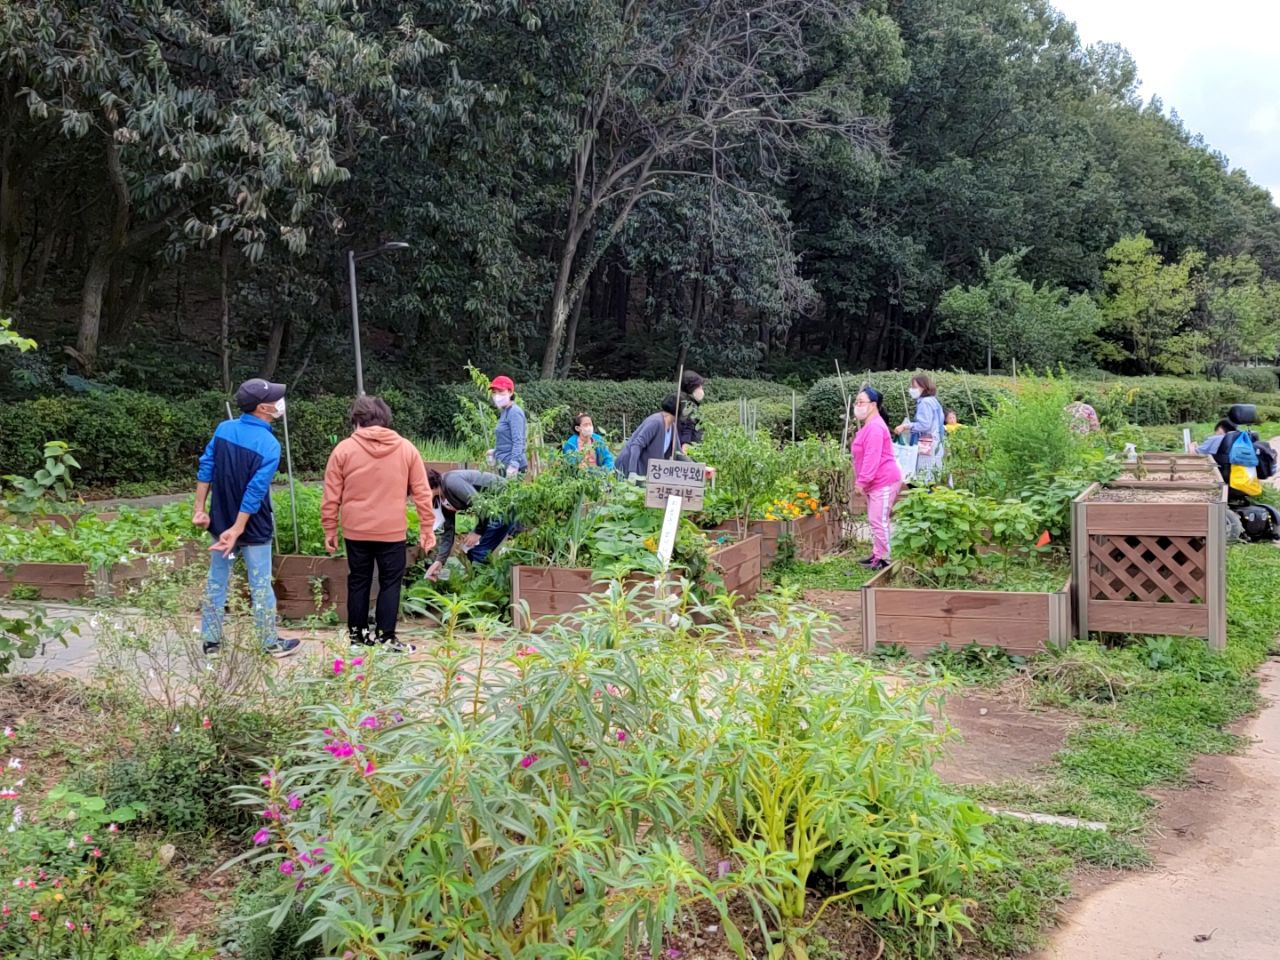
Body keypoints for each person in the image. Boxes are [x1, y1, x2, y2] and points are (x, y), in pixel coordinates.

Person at [193, 378, 300, 658]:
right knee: (260, 583)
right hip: (252, 527)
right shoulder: (269, 444)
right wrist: (239, 528)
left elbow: (206, 466)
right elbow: (255, 492)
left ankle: (211, 642)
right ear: (263, 408)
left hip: (220, 523)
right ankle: (269, 643)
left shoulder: (224, 429)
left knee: (217, 579)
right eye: (275, 400)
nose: (280, 404)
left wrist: (199, 509)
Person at [321, 396, 436, 652]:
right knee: (390, 582)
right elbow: (422, 492)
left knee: (359, 581)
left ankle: (357, 640)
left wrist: (330, 528)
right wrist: (427, 528)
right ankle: (386, 639)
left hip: (356, 530)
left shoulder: (343, 450)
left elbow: (331, 494)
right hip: (391, 530)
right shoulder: (406, 449)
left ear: (357, 420)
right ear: (385, 419)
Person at [424, 469, 514, 580]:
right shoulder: (440, 499)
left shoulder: (451, 482)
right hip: (491, 510)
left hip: (505, 501)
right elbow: (448, 531)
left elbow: (480, 504)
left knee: (479, 552)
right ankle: (480, 583)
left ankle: (482, 587)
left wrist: (477, 532)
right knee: (471, 552)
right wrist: (439, 561)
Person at [852, 387, 903, 571]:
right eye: (856, 402)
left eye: (861, 402)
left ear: (873, 405)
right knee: (876, 519)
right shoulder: (870, 425)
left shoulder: (874, 427)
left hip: (884, 480)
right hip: (876, 481)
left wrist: (861, 482)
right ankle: (877, 554)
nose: (858, 405)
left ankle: (885, 560)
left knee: (878, 520)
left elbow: (871, 458)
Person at [615, 393, 681, 480]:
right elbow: (636, 445)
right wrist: (632, 472)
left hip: (644, 472)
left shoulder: (672, 427)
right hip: (629, 466)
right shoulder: (655, 422)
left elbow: (678, 453)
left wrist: (699, 468)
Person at [894, 374, 945, 480]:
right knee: (933, 473)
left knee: (923, 474)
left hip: (927, 442)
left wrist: (905, 426)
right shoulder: (933, 400)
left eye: (914, 387)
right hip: (936, 441)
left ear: (923, 387)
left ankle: (925, 495)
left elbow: (924, 425)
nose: (911, 390)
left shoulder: (924, 403)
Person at [488, 375, 527, 477]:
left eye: (501, 392)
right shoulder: (505, 411)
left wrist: (514, 465)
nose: (497, 396)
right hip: (503, 463)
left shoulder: (514, 412)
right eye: (494, 392)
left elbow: (518, 441)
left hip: (512, 467)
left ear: (510, 392)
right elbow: (506, 440)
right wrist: (494, 452)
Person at [678, 370, 706, 452]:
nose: (701, 389)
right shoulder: (688, 405)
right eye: (699, 386)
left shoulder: (688, 401)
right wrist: (685, 444)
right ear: (692, 388)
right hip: (689, 447)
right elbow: (687, 425)